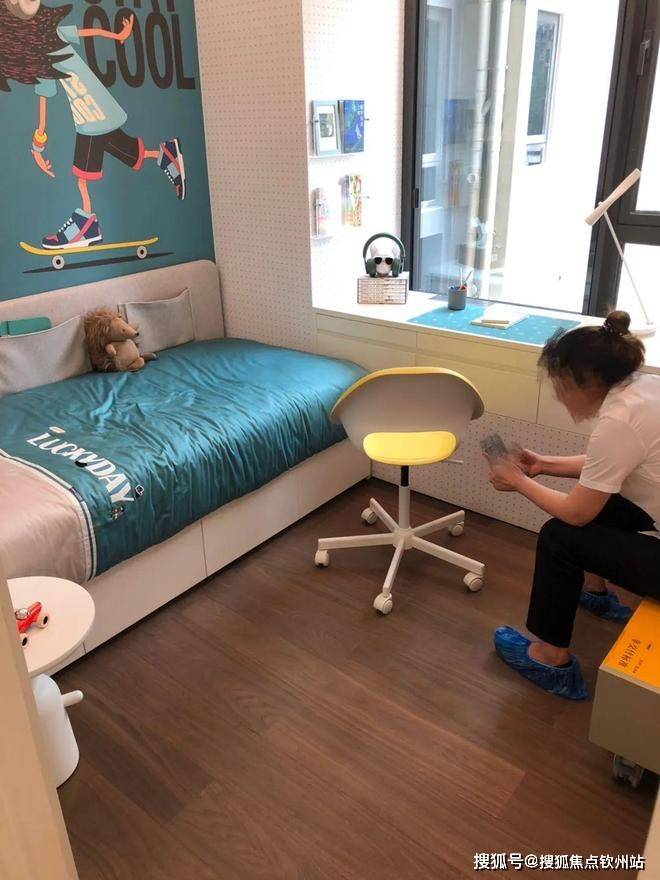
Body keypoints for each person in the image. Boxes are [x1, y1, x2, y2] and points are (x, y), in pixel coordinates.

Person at [487, 310, 660, 700]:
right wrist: (543, 465)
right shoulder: (644, 387)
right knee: (605, 500)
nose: (558, 396)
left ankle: (552, 661)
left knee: (559, 536)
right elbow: (611, 464)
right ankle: (593, 593)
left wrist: (518, 481)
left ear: (585, 380)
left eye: (560, 385)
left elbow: (577, 514)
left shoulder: (619, 421)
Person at [0, 1, 186, 250]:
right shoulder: (43, 53)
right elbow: (86, 34)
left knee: (81, 177)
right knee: (132, 153)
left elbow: (86, 32)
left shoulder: (48, 44)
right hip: (96, 109)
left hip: (91, 114)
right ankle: (165, 154)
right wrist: (38, 146)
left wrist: (38, 148)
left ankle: (86, 226)